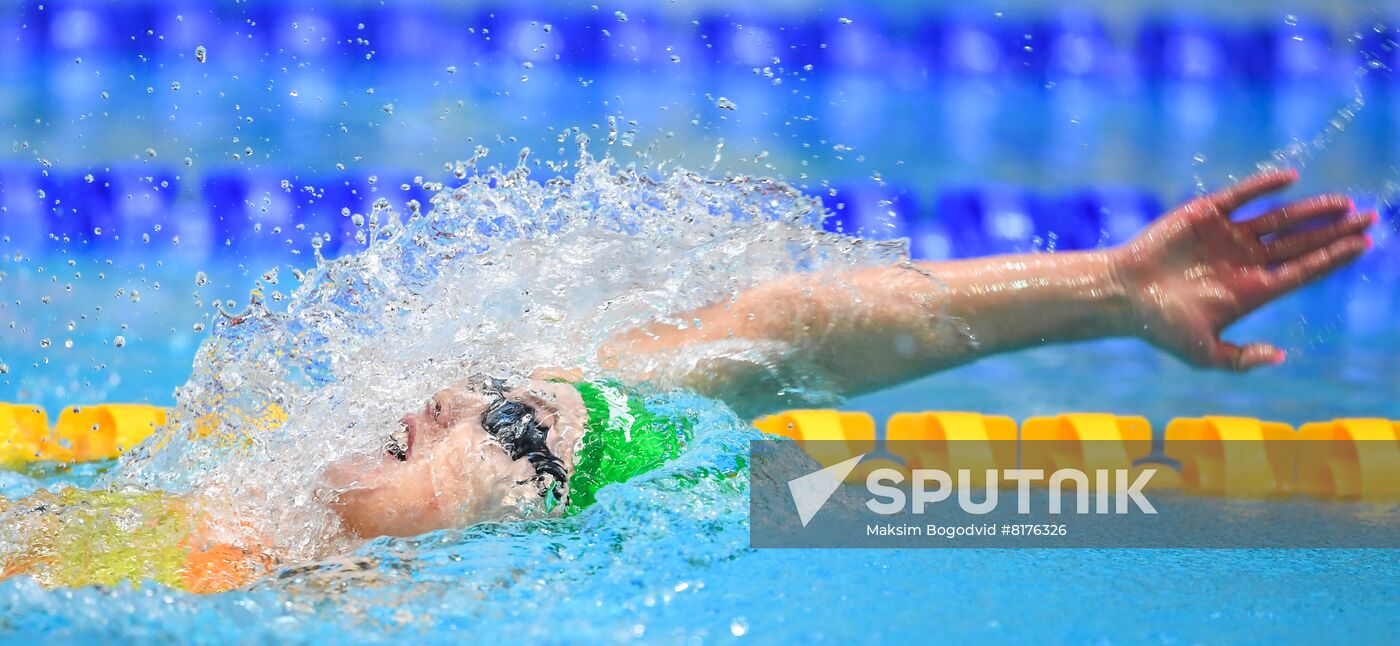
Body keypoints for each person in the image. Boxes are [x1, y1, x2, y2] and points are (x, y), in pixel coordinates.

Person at [0, 168, 1375, 592]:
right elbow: (797, 327)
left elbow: (799, 328)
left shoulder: (358, 518)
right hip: (569, 468)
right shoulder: (601, 422)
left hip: (526, 489)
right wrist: (1111, 290)